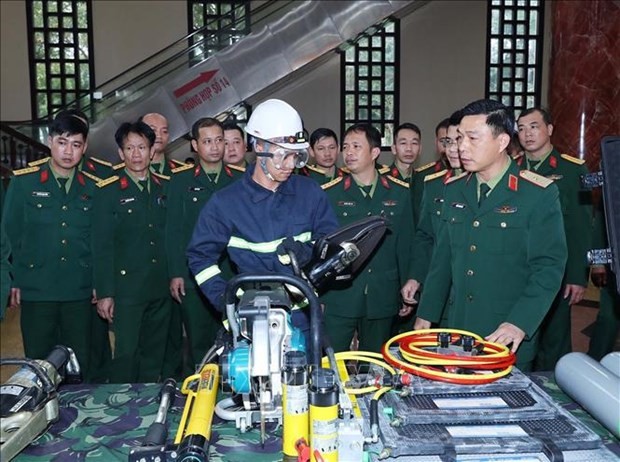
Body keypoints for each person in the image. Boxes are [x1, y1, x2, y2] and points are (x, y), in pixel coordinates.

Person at [414, 99, 568, 371]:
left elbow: (548, 266)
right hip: (458, 330)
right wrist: (426, 316)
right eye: (459, 138)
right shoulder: (453, 189)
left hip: (505, 335)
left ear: (502, 142)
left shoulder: (537, 194)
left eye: (473, 138)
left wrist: (520, 322)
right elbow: (442, 260)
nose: (461, 147)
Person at [186, 99, 339, 352]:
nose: (290, 165)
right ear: (258, 147)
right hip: (252, 322)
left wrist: (309, 252)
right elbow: (200, 257)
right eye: (283, 156)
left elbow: (329, 244)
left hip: (306, 320)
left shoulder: (310, 193)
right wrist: (229, 303)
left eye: (297, 157)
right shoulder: (226, 203)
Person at [3, 114, 99, 379]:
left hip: (78, 289)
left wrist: (98, 282)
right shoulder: (24, 183)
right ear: (49, 142)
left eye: (76, 145)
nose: (68, 151)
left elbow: (97, 240)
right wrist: (12, 280)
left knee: (79, 361)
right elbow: (9, 235)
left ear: (85, 147)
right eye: (62, 142)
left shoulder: (93, 187)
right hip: (37, 288)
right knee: (38, 362)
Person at [321, 123, 417, 353]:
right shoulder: (330, 194)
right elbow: (323, 248)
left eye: (356, 146)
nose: (349, 153)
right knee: (331, 361)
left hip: (382, 293)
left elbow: (406, 245)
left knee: (375, 364)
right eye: (346, 147)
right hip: (340, 295)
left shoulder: (399, 192)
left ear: (374, 153)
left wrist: (408, 284)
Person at [92, 121, 171, 383]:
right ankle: (122, 409)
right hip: (126, 290)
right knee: (126, 354)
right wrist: (105, 292)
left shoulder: (164, 187)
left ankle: (148, 403)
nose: (136, 154)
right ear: (120, 153)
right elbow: (101, 245)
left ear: (152, 151)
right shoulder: (108, 191)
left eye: (142, 147)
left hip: (159, 286)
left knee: (154, 353)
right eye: (129, 148)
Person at [516, 107, 593, 370]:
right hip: (518, 270)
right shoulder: (511, 168)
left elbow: (580, 227)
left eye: (534, 126)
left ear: (549, 129)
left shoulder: (572, 170)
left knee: (554, 340)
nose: (527, 133)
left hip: (556, 272)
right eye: (522, 128)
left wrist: (577, 276)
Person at [166, 117, 244, 375]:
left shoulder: (240, 180)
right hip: (194, 275)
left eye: (219, 140)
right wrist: (177, 272)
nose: (214, 147)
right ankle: (200, 392)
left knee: (235, 337)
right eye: (207, 141)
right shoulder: (179, 181)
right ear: (195, 146)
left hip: (233, 274)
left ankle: (232, 391)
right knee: (199, 341)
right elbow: (174, 230)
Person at [407, 112, 463, 320]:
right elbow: (425, 236)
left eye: (459, 141)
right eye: (448, 142)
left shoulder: (482, 185)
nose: (453, 149)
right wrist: (415, 277)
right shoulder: (433, 185)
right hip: (437, 287)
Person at [410, 119, 449, 226]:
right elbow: (418, 220)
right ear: (436, 143)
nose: (447, 147)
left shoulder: (472, 174)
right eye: (443, 141)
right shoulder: (423, 176)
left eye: (452, 141)